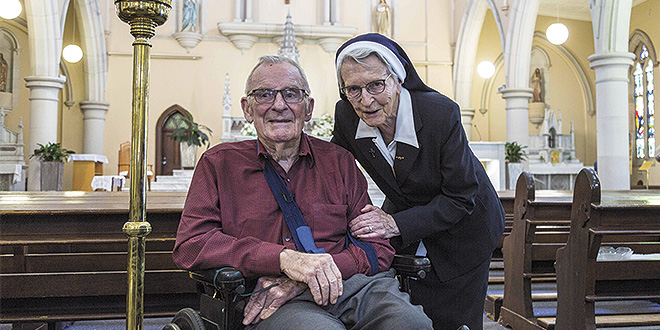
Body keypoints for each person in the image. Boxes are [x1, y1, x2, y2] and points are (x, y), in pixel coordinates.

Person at [173, 55, 432, 330]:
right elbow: (192, 244)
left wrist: (313, 274)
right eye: (264, 95)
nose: (279, 105)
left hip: (353, 287)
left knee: (412, 323)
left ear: (308, 108)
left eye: (291, 94)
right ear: (247, 109)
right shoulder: (219, 163)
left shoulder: (339, 161)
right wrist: (283, 259)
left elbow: (377, 247)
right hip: (271, 297)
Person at [332, 33, 505, 330]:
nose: (366, 99)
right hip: (409, 214)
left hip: (466, 224)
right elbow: (332, 166)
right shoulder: (347, 114)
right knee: (408, 310)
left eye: (376, 84)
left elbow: (462, 197)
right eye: (353, 89)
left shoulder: (438, 113)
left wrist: (393, 224)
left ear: (397, 79)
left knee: (454, 319)